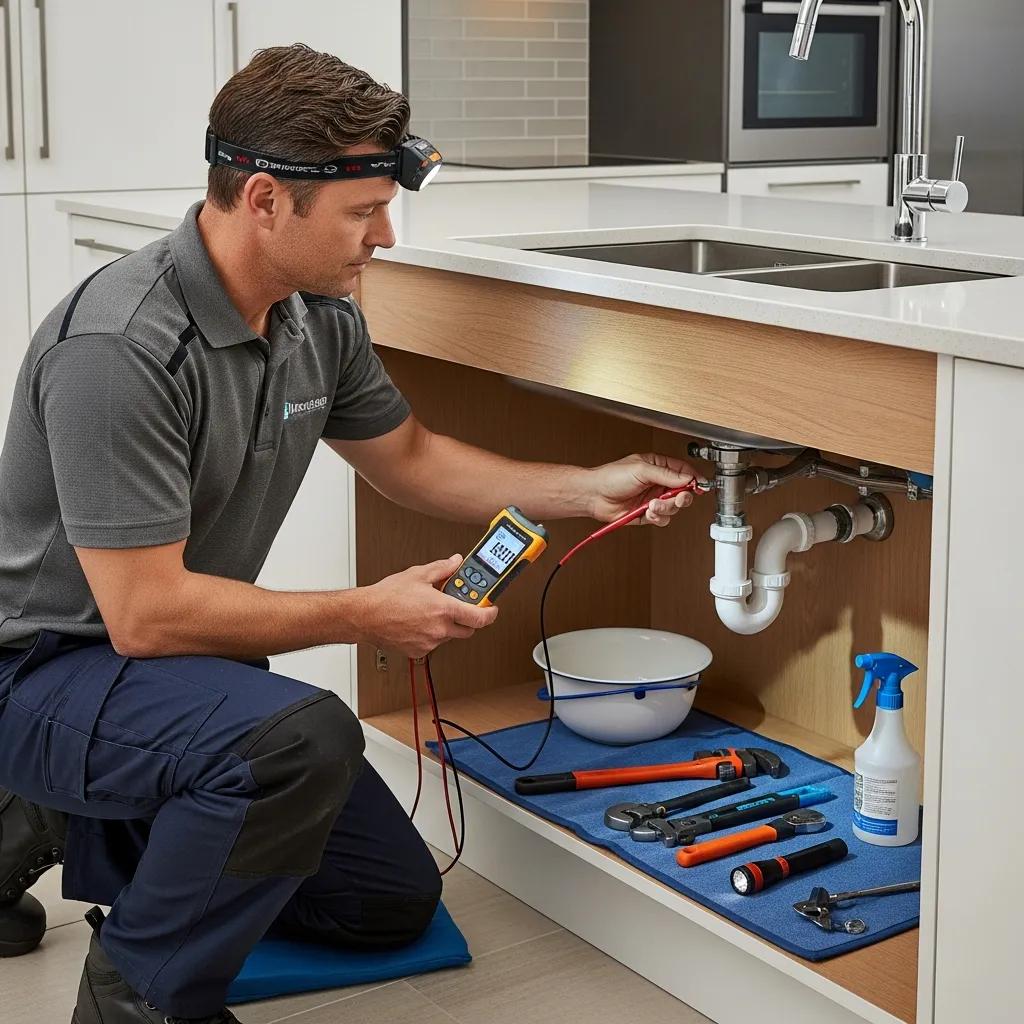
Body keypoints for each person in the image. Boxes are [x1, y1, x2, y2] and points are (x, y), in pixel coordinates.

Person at [0, 44, 697, 1024]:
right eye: (363, 211)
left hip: (166, 665)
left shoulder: (315, 317)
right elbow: (144, 616)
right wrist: (365, 612)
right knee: (300, 738)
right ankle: (136, 995)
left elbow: (409, 457)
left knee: (386, 903)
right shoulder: (121, 346)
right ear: (265, 200)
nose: (387, 236)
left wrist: (589, 488)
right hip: (44, 671)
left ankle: (59, 812)